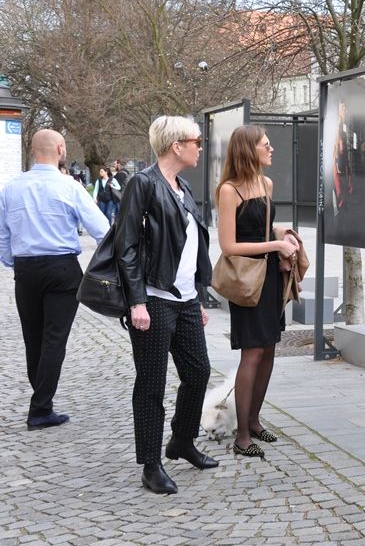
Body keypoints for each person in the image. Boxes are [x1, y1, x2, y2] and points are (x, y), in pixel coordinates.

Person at [115, 116, 218, 495]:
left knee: (198, 373)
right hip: (154, 301)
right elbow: (125, 247)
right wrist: (137, 302)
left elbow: (190, 247)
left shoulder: (182, 186)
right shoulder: (142, 184)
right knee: (152, 384)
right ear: (177, 146)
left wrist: (197, 295)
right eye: (196, 141)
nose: (200, 147)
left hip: (185, 300)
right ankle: (151, 464)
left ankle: (182, 441)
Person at [0, 130, 109, 431]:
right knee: (54, 340)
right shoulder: (69, 187)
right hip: (62, 269)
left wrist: (14, 262)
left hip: (26, 270)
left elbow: (2, 235)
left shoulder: (10, 188)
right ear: (61, 149)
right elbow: (102, 230)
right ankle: (40, 409)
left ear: (33, 151)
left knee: (33, 339)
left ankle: (41, 402)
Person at [216, 125, 299, 459]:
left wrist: (284, 236)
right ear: (249, 150)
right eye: (266, 145)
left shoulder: (266, 183)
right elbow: (228, 244)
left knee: (269, 349)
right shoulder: (229, 190)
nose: (271, 149)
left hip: (269, 278)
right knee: (251, 352)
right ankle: (241, 434)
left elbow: (262, 225)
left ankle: (253, 420)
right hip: (247, 280)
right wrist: (276, 243)